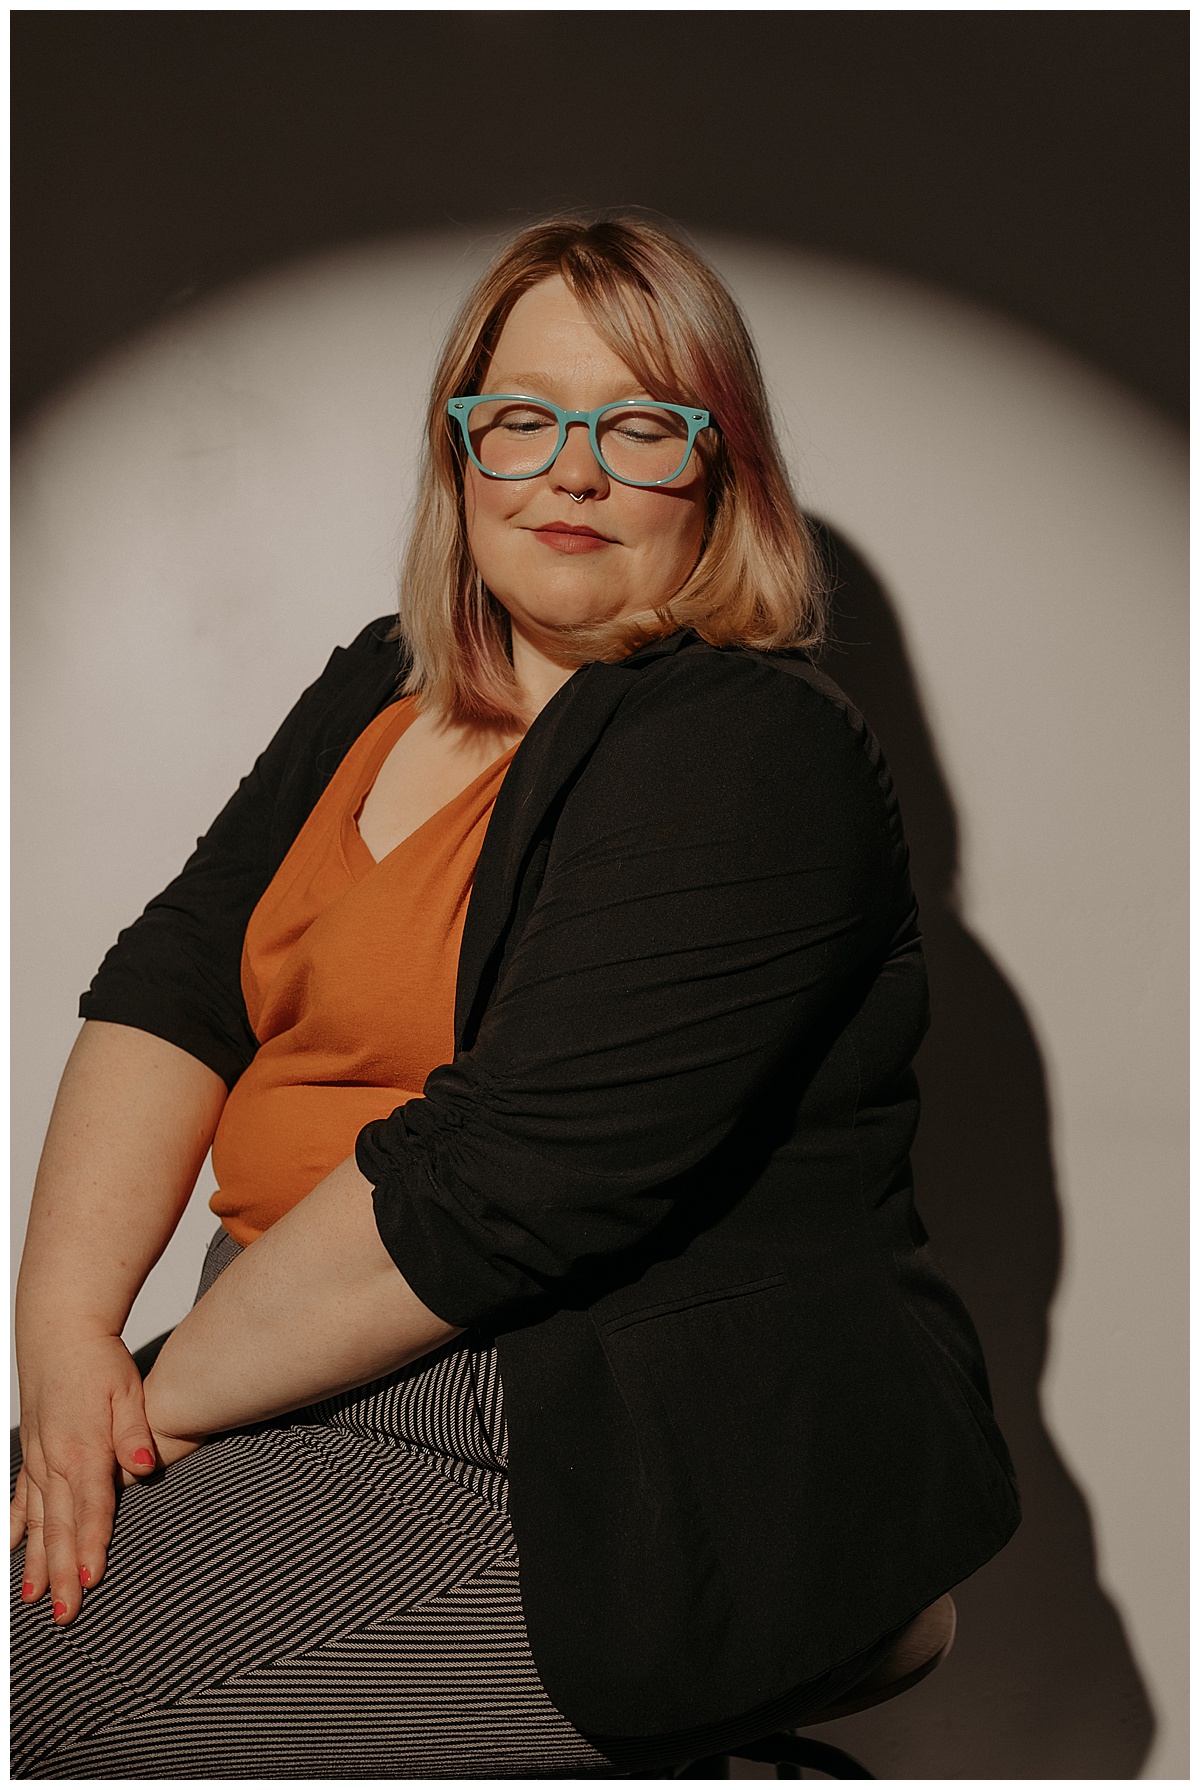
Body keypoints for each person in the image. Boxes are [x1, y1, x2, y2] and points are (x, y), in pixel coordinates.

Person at [10, 214, 1019, 1779]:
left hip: (565, 1428)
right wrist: (65, 1333)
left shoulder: (750, 747)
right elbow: (175, 986)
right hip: (281, 1357)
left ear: (722, 467)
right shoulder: (375, 685)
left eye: (640, 426)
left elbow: (490, 1193)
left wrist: (141, 1405)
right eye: (524, 419)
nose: (573, 470)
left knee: (44, 1702)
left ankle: (737, 1690)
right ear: (460, 452)